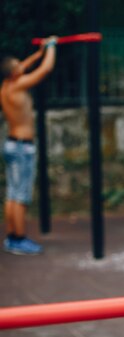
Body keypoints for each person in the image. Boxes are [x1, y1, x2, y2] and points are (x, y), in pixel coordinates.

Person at [1, 36, 57, 255]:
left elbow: (26, 65)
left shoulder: (6, 85)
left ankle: (12, 237)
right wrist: (51, 48)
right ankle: (19, 238)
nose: (21, 66)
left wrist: (39, 52)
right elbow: (45, 70)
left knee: (12, 194)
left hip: (12, 144)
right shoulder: (18, 86)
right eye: (17, 66)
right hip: (23, 148)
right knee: (21, 195)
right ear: (13, 73)